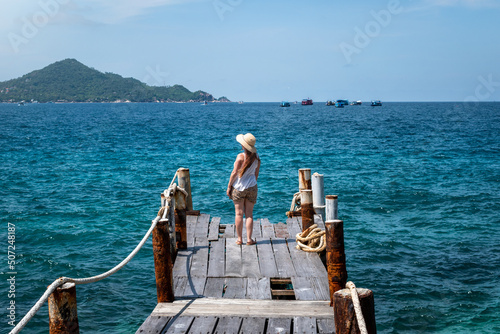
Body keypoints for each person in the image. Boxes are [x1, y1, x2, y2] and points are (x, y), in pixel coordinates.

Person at [227, 133, 261, 245]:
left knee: (239, 214)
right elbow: (256, 175)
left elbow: (234, 173)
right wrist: (252, 184)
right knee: (249, 214)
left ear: (243, 146)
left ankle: (239, 239)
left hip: (239, 188)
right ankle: (249, 240)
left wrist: (229, 187)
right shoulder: (257, 158)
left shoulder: (240, 157)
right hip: (252, 187)